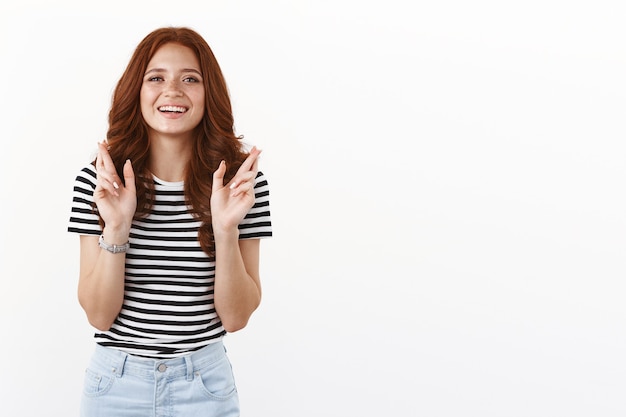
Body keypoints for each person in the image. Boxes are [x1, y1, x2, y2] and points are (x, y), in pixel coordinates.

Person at [67, 27, 272, 417]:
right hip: (116, 385)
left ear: (209, 94)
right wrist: (116, 228)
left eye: (190, 79)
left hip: (205, 386)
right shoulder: (99, 181)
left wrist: (226, 229)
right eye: (156, 78)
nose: (172, 91)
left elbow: (237, 317)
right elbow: (98, 315)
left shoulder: (239, 184)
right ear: (136, 91)